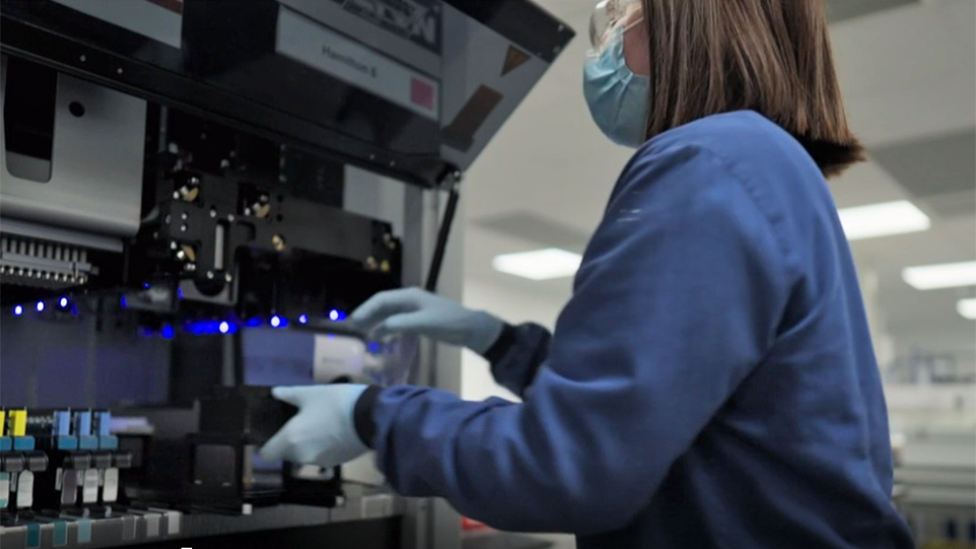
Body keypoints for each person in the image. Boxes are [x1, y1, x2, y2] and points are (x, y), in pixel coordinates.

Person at [260, 0, 916, 547]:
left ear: (683, 20)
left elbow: (572, 464)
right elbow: (649, 406)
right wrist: (496, 339)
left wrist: (373, 413)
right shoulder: (760, 162)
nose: (604, 43)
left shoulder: (706, 164)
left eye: (617, 14)